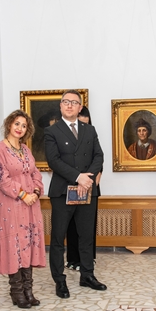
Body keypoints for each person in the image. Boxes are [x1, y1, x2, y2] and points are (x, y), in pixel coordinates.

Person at [45, 90, 107, 298]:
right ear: (61, 106)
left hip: (87, 190)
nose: (69, 105)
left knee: (86, 236)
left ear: (80, 107)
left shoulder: (90, 130)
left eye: (74, 102)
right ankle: (59, 280)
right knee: (58, 238)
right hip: (62, 191)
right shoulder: (52, 131)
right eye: (66, 102)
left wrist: (87, 179)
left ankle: (87, 275)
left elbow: (98, 156)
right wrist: (78, 177)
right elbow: (53, 161)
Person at [0, 110, 46, 308]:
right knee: (14, 244)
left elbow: (35, 173)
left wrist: (36, 192)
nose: (19, 128)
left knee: (28, 243)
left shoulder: (26, 149)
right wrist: (23, 195)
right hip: (11, 204)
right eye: (17, 124)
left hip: (31, 204)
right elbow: (1, 179)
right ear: (9, 124)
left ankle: (28, 291)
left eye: (24, 125)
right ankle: (17, 292)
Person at [64, 106, 92, 272]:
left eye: (85, 123)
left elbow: (98, 160)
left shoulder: (91, 135)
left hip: (89, 187)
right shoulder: (65, 137)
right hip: (72, 186)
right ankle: (73, 259)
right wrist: (79, 179)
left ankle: (88, 261)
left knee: (87, 228)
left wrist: (88, 183)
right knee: (72, 226)